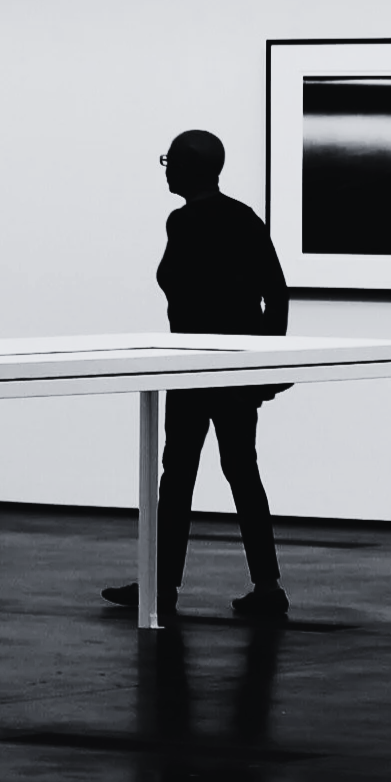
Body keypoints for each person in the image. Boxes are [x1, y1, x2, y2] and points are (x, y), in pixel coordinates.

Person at [103, 129, 291, 623]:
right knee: (239, 470)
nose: (166, 170)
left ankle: (163, 587)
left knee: (181, 474)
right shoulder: (244, 218)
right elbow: (276, 293)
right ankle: (265, 585)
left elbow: (255, 293)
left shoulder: (184, 222)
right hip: (227, 369)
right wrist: (265, 361)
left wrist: (263, 362)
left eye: (170, 161)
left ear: (189, 168)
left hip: (195, 368)